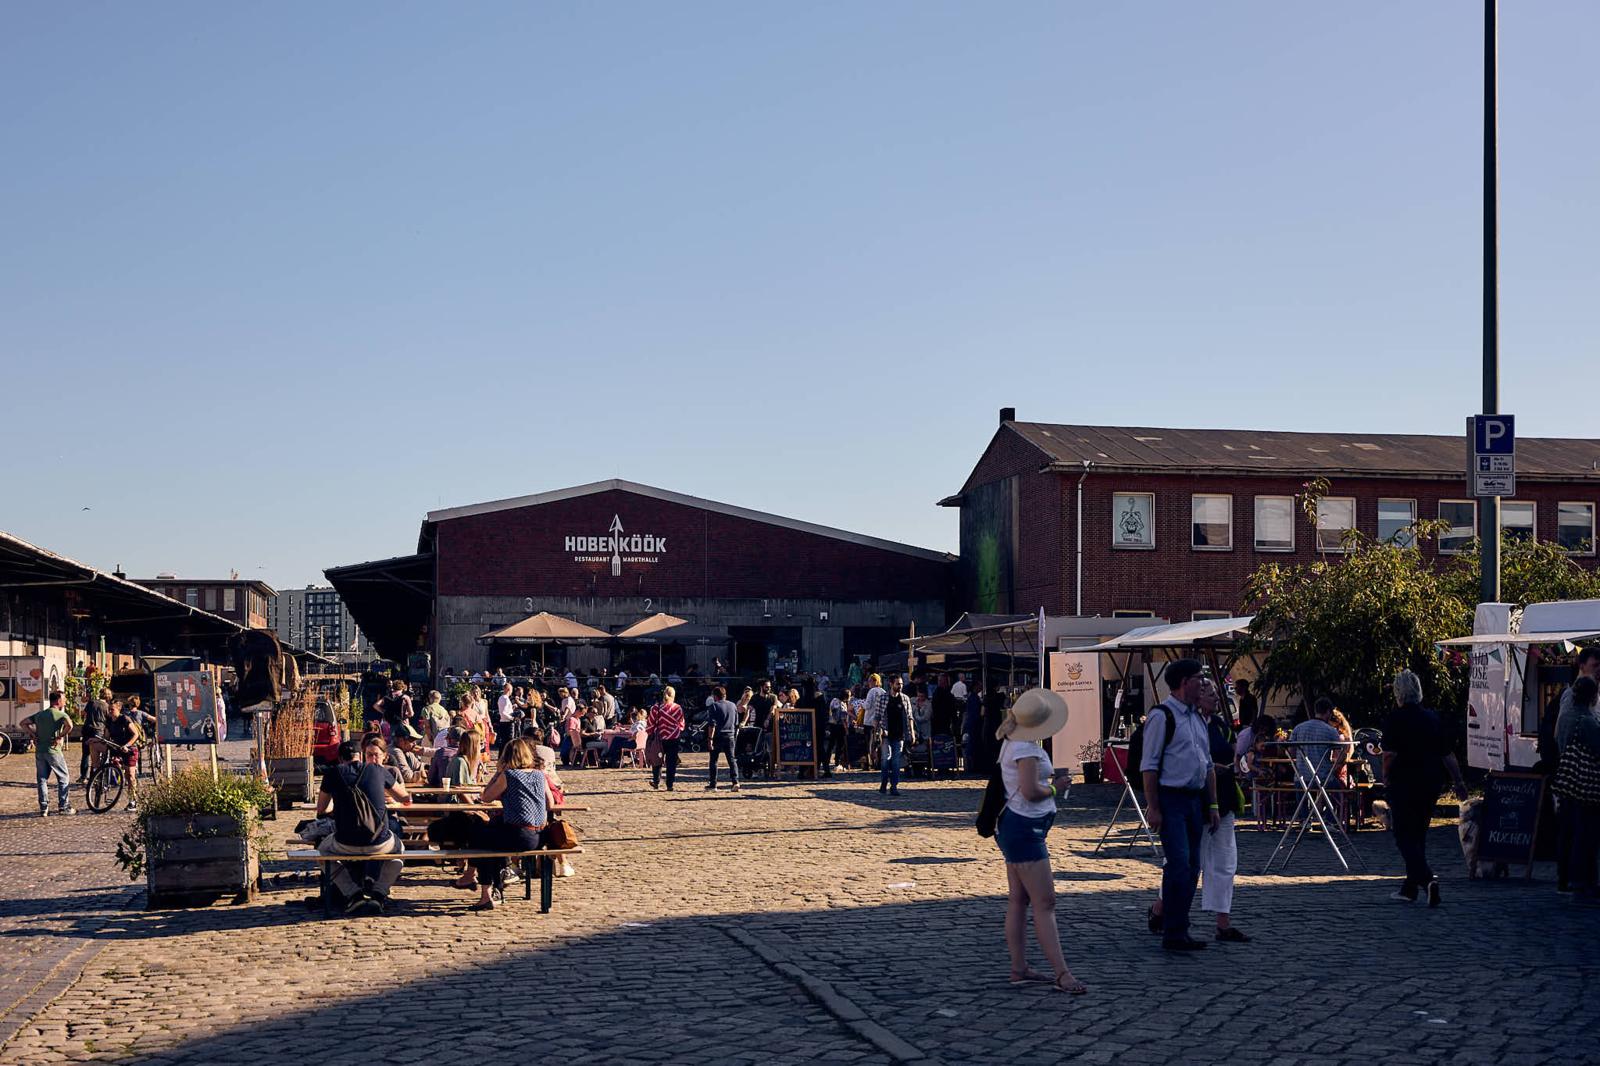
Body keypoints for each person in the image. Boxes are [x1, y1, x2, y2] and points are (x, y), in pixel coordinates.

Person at [993, 689, 1085, 995]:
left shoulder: (1013, 742)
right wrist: (1056, 789)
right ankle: (1062, 973)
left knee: (1019, 900)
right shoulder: (1025, 748)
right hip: (1025, 829)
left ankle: (1019, 968)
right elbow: (1031, 791)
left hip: (1018, 827)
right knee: (1045, 903)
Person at [1149, 678, 1249, 943]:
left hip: (1222, 800)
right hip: (1192, 801)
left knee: (1225, 862)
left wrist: (1232, 767)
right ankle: (1163, 910)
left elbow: (1230, 753)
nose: (1217, 699)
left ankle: (1222, 923)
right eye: (1211, 694)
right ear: (1196, 694)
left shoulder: (1218, 725)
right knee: (1185, 864)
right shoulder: (1180, 720)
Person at [1140, 658, 1220, 952]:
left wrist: (1212, 805)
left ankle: (1178, 925)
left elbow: (1208, 764)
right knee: (1179, 865)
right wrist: (1154, 807)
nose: (1204, 682)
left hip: (1194, 800)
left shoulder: (1197, 717)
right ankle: (1173, 931)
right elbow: (1148, 766)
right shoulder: (1163, 716)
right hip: (1171, 799)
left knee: (1192, 867)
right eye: (1199, 678)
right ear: (1185, 681)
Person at [1382, 670, 1468, 907]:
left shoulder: (1395, 719)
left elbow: (1389, 754)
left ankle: (1427, 880)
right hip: (1430, 782)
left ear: (1398, 693)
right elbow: (1447, 754)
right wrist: (1458, 782)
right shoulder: (1432, 718)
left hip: (1403, 781)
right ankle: (1409, 889)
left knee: (1402, 835)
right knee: (1418, 834)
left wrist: (1385, 776)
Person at [314, 737, 409, 914]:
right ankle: (379, 893)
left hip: (345, 843)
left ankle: (353, 893)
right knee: (400, 850)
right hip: (379, 842)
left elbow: (322, 809)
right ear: (361, 755)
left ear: (341, 759)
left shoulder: (333, 773)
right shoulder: (378, 770)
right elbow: (405, 798)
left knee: (322, 852)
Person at [462, 737, 554, 911]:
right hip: (539, 836)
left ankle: (486, 893)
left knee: (480, 840)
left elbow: (486, 797)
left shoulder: (509, 775)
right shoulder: (539, 775)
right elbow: (551, 805)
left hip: (519, 835)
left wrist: (497, 773)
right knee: (491, 835)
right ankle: (498, 878)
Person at [1554, 648, 1600, 893]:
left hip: (1570, 781)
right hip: (1585, 784)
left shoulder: (1570, 707)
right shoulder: (1586, 719)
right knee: (1584, 833)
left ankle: (1569, 878)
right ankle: (1581, 879)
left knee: (1571, 832)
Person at [26, 691, 76, 816]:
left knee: (42, 779)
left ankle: (44, 808)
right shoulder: (60, 714)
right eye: (64, 699)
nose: (65, 702)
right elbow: (70, 725)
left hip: (40, 750)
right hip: (53, 751)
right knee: (63, 778)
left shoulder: (40, 714)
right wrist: (60, 736)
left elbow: (23, 722)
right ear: (58, 701)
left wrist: (33, 734)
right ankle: (63, 806)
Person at [99, 698, 144, 811]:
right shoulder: (109, 721)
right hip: (117, 749)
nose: (109, 711)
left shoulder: (124, 719)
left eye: (112, 709)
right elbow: (107, 736)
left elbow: (135, 734)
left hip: (129, 749)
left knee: (130, 776)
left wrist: (127, 745)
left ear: (118, 709)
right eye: (109, 709)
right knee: (115, 766)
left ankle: (132, 801)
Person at [1289, 698, 1346, 786]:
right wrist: (1332, 769)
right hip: (1323, 779)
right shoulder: (1331, 731)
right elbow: (1340, 756)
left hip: (1301, 779)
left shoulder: (1298, 728)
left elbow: (1291, 753)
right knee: (1339, 791)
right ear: (1328, 712)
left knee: (1302, 798)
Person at [879, 676, 917, 796]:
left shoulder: (905, 699)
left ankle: (894, 786)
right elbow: (877, 716)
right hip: (885, 733)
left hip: (899, 735)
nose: (900, 686)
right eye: (897, 684)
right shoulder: (884, 698)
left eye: (901, 684)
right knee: (885, 760)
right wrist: (877, 733)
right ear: (891, 684)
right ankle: (884, 781)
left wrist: (911, 733)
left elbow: (910, 717)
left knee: (896, 762)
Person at [647, 686, 685, 791]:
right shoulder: (678, 708)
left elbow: (650, 723)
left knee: (657, 760)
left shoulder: (656, 708)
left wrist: (650, 733)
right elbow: (681, 725)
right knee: (671, 762)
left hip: (660, 738)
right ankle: (670, 784)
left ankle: (656, 781)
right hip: (674, 738)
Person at [704, 685, 741, 791]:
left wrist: (710, 739)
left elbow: (712, 724)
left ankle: (713, 784)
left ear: (715, 696)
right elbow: (736, 722)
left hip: (718, 736)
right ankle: (735, 782)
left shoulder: (714, 706)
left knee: (714, 760)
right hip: (730, 735)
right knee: (732, 760)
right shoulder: (733, 705)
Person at [79, 685, 109, 778]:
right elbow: (108, 719)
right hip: (98, 731)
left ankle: (83, 776)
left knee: (85, 753)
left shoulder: (92, 702)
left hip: (87, 728)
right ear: (108, 696)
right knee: (96, 754)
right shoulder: (107, 706)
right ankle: (94, 776)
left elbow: (83, 713)